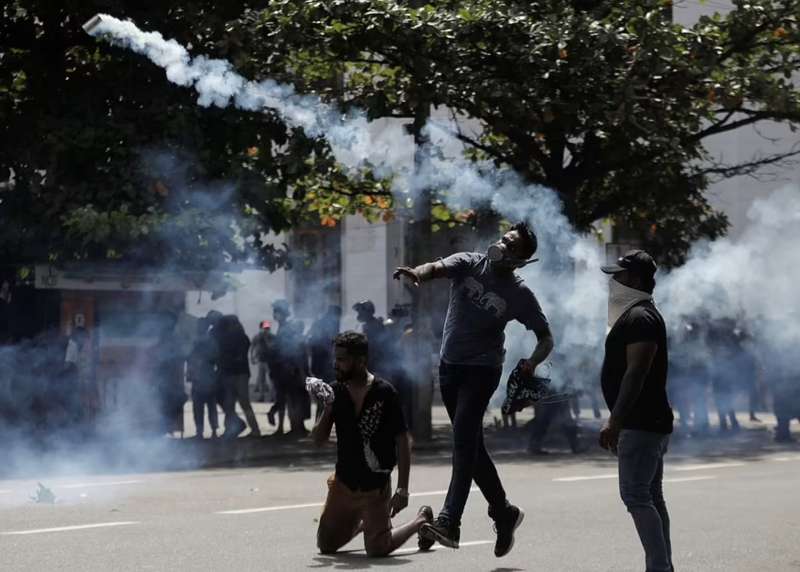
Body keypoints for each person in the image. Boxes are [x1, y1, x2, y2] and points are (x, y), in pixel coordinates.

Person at [394, 222, 553, 557]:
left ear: (521, 260)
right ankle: (504, 512)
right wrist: (417, 272)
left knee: (463, 440)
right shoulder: (469, 261)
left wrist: (533, 362)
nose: (503, 245)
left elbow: (545, 336)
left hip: (483, 370)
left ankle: (450, 520)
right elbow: (437, 267)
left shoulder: (519, 293)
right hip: (450, 366)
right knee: (471, 447)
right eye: (504, 239)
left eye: (513, 246)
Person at [311, 331, 433, 557]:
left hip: (374, 487)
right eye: (335, 359)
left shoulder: (384, 392)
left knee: (377, 549)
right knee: (326, 545)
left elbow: (403, 440)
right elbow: (318, 441)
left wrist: (402, 489)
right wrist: (327, 407)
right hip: (343, 484)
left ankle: (420, 520)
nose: (335, 365)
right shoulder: (334, 391)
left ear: (361, 361)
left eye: (341, 360)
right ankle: (364, 525)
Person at [599, 250, 675, 572]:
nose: (613, 281)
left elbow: (637, 372)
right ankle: (663, 567)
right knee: (651, 496)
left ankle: (659, 568)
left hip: (641, 423)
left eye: (619, 275)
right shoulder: (637, 315)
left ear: (635, 279)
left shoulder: (641, 317)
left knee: (637, 497)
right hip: (648, 422)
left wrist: (615, 421)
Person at [266, 300, 309, 436]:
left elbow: (291, 350)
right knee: (290, 398)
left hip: (288, 369)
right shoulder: (283, 328)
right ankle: (294, 427)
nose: (275, 315)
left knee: (292, 399)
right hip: (284, 368)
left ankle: (296, 427)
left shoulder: (286, 328)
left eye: (276, 311)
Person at [215, 315, 260, 438]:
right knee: (231, 404)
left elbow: (235, 356)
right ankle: (234, 430)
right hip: (235, 373)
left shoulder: (239, 338)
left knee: (241, 403)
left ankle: (253, 430)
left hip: (238, 374)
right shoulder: (240, 337)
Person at [187, 318, 220, 439]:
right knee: (208, 406)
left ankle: (203, 431)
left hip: (203, 377)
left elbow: (190, 357)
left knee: (200, 407)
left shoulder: (199, 341)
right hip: (206, 377)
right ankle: (212, 431)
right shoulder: (210, 341)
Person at [250, 320, 273, 402]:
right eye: (264, 328)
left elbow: (273, 348)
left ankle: (272, 396)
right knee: (261, 379)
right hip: (261, 360)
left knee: (271, 379)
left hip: (269, 361)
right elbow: (252, 347)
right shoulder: (257, 336)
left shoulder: (271, 337)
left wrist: (266, 340)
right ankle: (261, 396)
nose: (266, 330)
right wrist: (252, 357)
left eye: (267, 328)